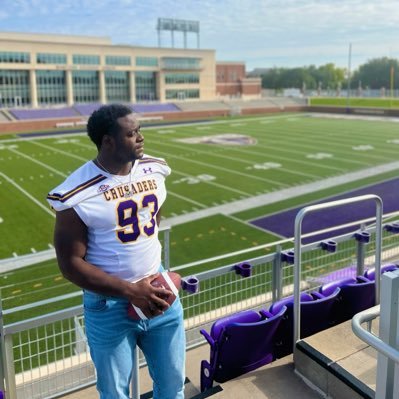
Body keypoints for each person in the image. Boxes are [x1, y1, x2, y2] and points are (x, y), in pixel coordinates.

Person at [47, 103, 185, 399]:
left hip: (158, 290)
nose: (140, 138)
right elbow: (70, 264)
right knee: (115, 394)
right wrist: (130, 290)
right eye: (131, 133)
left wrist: (147, 283)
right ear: (108, 141)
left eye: (139, 131)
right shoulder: (76, 192)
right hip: (108, 306)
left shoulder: (154, 169)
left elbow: (153, 218)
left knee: (173, 384)